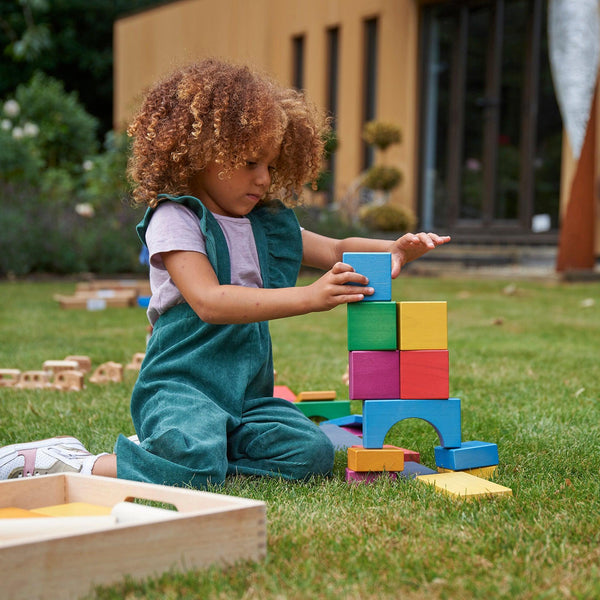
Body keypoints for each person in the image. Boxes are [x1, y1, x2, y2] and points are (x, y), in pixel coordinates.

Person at [0, 59, 450, 488]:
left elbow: (334, 248)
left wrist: (393, 250)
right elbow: (209, 301)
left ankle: (184, 453)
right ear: (200, 154)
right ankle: (77, 462)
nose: (262, 178)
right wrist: (309, 298)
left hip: (248, 398)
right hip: (181, 388)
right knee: (192, 468)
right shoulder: (176, 218)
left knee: (310, 455)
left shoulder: (266, 222)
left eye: (271, 165)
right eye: (250, 162)